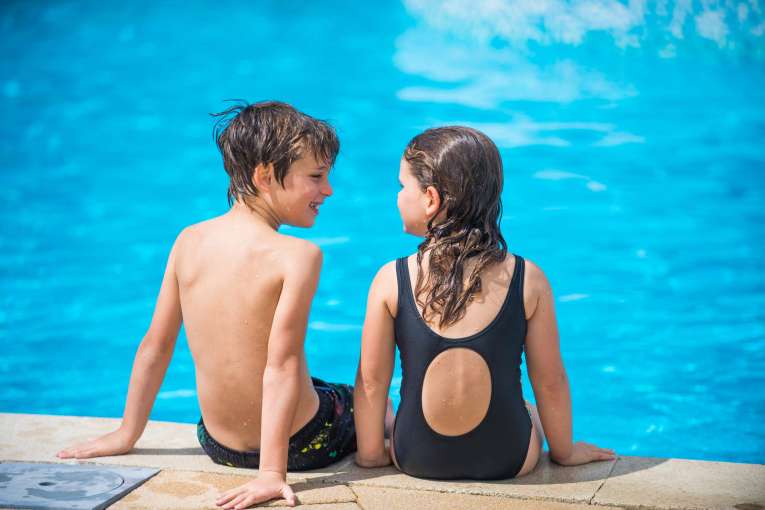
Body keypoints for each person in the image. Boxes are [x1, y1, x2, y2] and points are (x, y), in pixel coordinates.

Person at [57, 101, 356, 508]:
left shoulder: (188, 241)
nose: (328, 190)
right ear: (265, 176)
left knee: (312, 383)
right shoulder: (297, 256)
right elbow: (280, 365)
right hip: (301, 443)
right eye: (317, 177)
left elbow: (155, 346)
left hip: (218, 445)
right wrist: (271, 473)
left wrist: (127, 433)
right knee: (353, 397)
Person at [353, 126, 616, 480]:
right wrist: (565, 452)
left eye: (403, 187)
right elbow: (550, 380)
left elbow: (371, 382)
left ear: (430, 199)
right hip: (507, 458)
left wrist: (371, 456)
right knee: (530, 407)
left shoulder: (391, 279)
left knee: (389, 407)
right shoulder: (528, 278)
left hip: (417, 457)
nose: (398, 196)